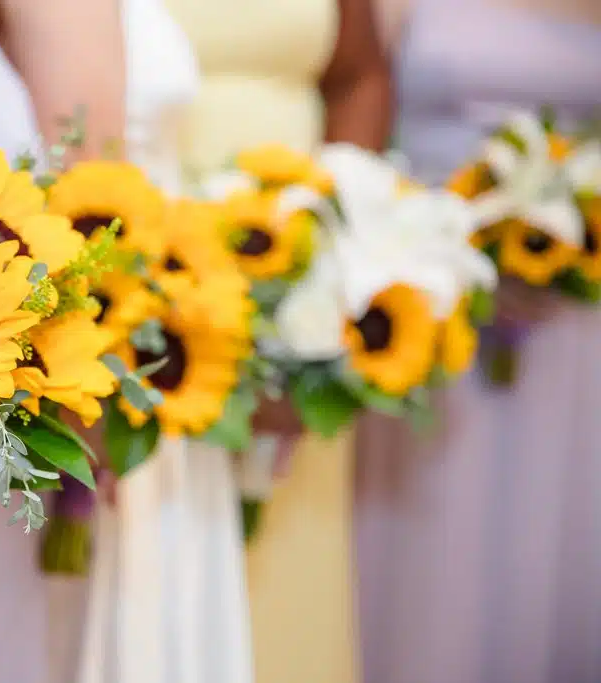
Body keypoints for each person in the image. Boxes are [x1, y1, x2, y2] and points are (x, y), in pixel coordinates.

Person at [357, 1, 601, 682]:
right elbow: (356, 94)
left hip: (577, 322)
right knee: (433, 549)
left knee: (556, 539)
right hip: (425, 300)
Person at [162, 1, 392, 682]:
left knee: (288, 565)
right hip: (147, 293)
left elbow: (360, 75)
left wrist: (333, 254)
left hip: (300, 303)